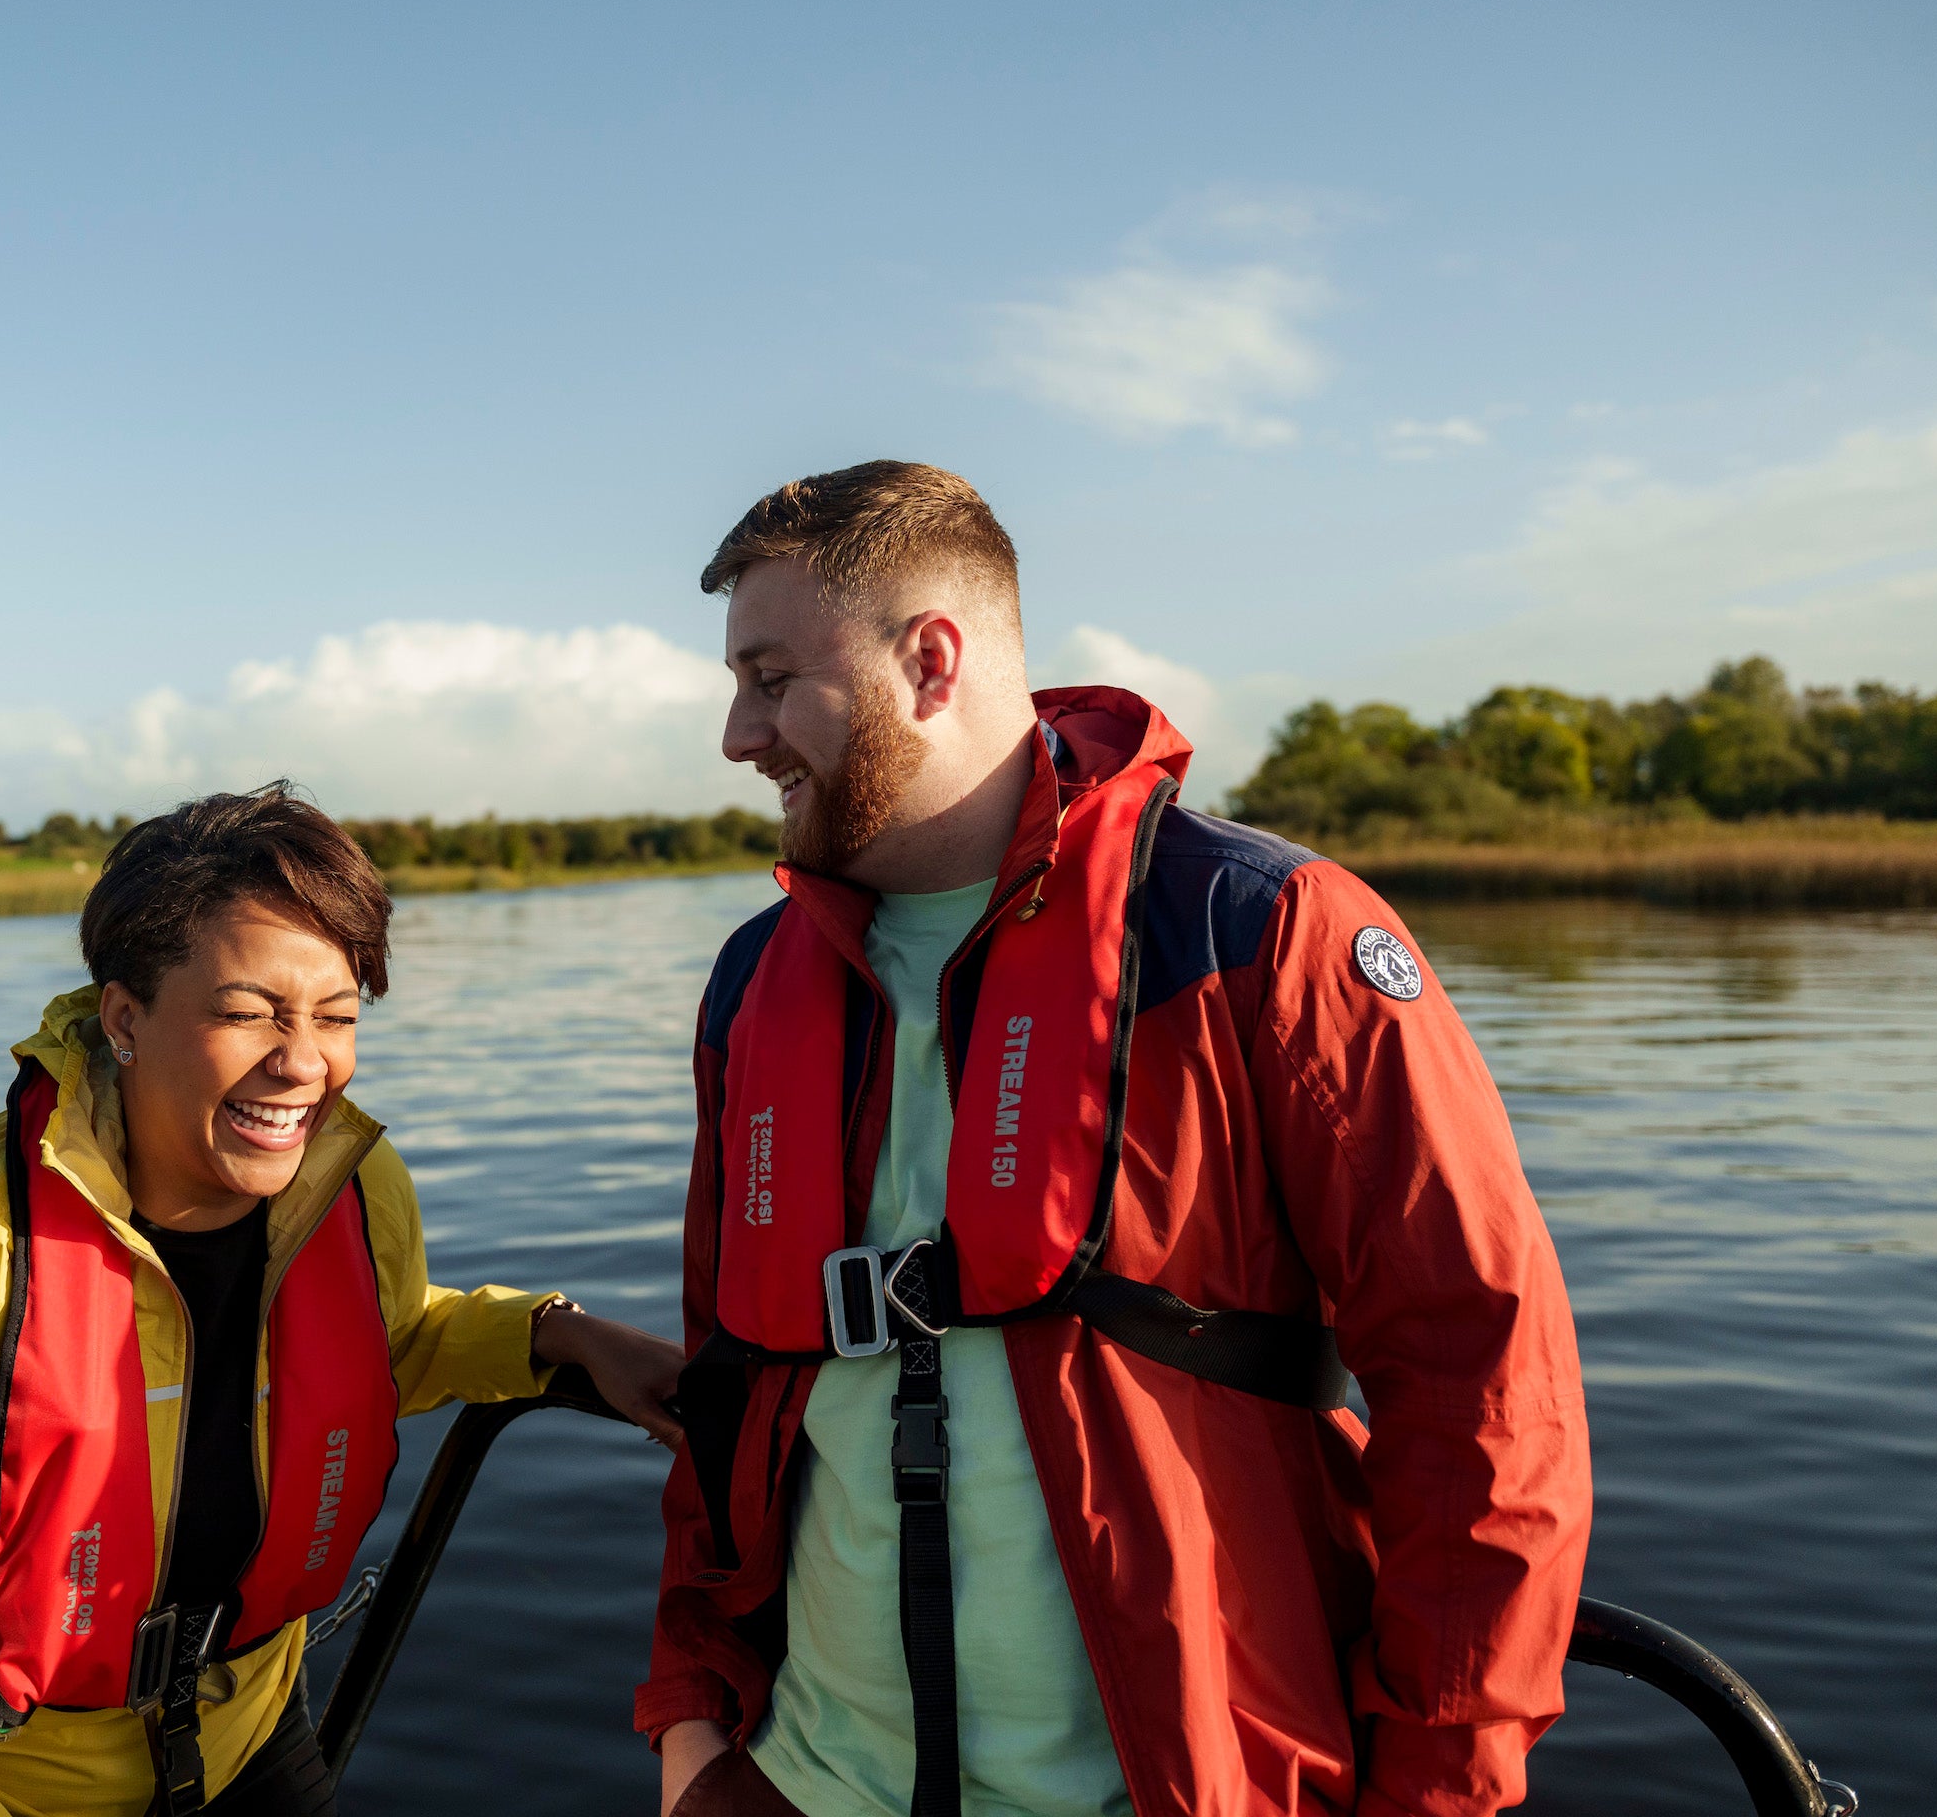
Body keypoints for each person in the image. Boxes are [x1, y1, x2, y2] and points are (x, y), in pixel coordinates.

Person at [641, 464, 1590, 1817]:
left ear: (930, 661)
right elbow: (725, 1387)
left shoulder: (1263, 933)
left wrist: (1438, 1794)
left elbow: (1488, 1396)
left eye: (772, 676)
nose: (739, 735)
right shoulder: (751, 987)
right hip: (796, 1783)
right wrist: (692, 1723)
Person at [0, 784, 685, 1817]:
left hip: (248, 1736)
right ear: (125, 1015)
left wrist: (556, 1333)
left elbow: (378, 1344)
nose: (305, 1061)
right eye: (246, 1011)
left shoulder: (353, 1187)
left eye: (338, 1015)